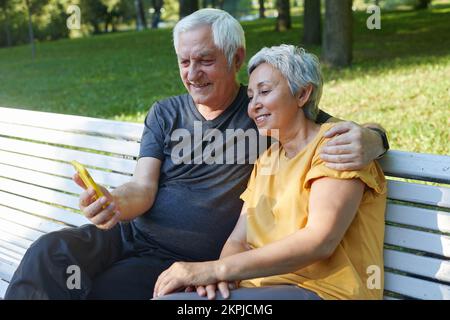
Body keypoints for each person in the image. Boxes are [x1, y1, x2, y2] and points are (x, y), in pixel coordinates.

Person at [5, 9, 388, 300]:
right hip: (129, 236)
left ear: (236, 59)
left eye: (205, 60)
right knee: (49, 254)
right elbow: (143, 187)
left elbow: (324, 127)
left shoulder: (263, 117)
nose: (193, 74)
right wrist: (115, 201)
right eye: (184, 62)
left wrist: (374, 140)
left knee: (104, 290)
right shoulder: (166, 112)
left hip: (177, 259)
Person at [153, 45, 387, 300]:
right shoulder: (267, 159)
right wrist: (220, 279)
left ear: (302, 94)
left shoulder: (336, 146)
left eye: (264, 92)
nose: (253, 106)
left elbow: (319, 241)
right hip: (263, 291)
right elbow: (238, 240)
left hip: (326, 292)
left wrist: (213, 269)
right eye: (251, 96)